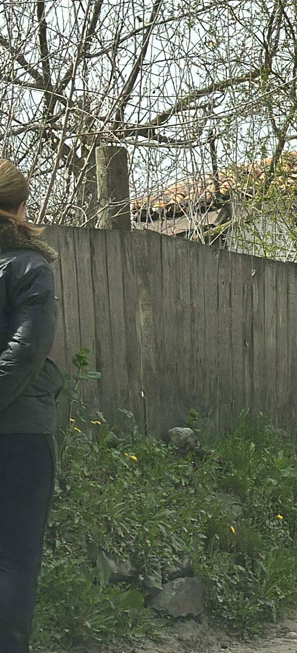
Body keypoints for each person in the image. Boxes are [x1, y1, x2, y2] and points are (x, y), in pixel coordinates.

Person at [0, 160, 62, 653]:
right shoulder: (29, 266)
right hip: (19, 435)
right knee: (15, 559)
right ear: (20, 207)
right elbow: (24, 354)